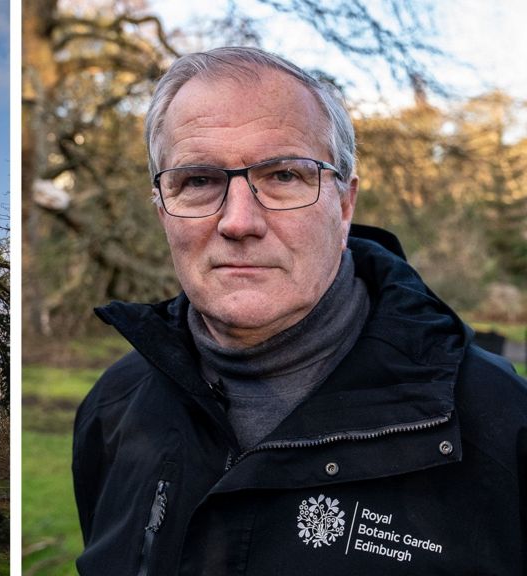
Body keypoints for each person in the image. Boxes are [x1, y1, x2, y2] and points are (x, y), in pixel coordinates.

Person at [72, 46, 527, 575]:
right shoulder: (113, 407)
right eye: (198, 181)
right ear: (163, 209)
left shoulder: (498, 420)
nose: (238, 221)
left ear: (345, 205)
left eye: (284, 175)